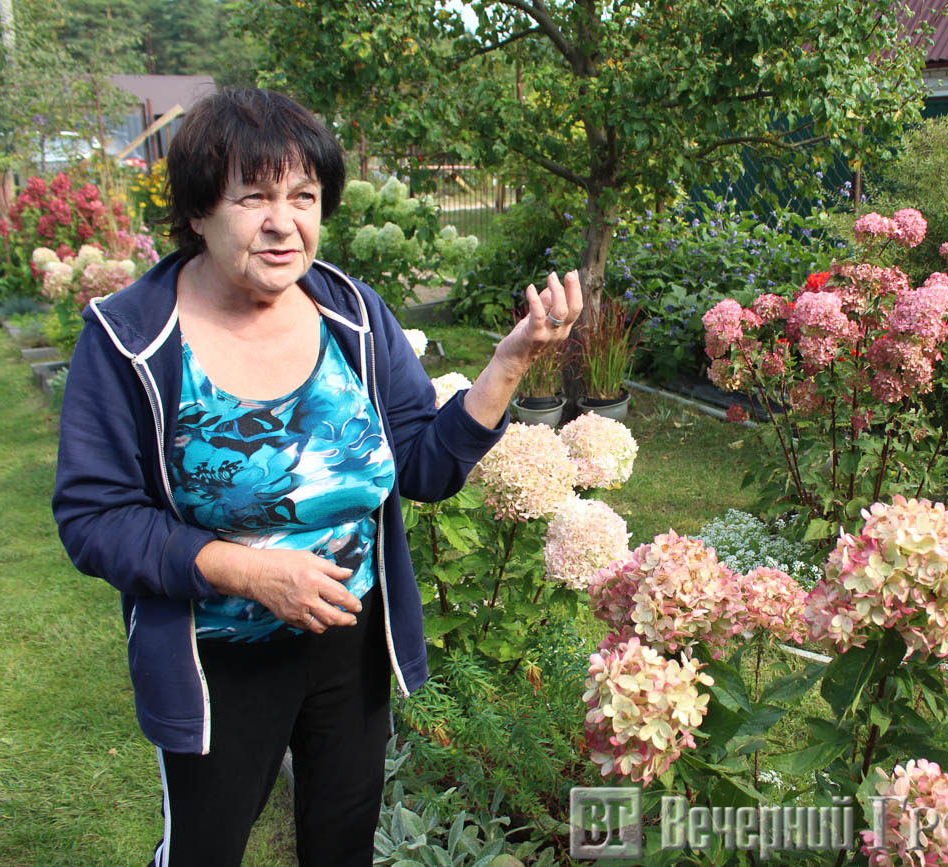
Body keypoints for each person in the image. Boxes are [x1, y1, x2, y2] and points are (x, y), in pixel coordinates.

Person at [51, 88, 581, 866]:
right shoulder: (131, 338)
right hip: (214, 656)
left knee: (342, 843)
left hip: (347, 641)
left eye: (302, 196)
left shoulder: (353, 315)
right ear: (198, 210)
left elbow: (423, 466)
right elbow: (94, 517)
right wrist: (252, 572)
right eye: (254, 197)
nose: (283, 222)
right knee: (204, 849)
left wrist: (509, 364)